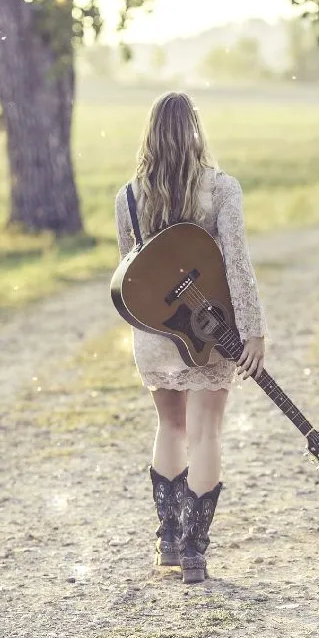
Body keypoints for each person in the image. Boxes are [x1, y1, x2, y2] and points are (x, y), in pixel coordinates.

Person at [115, 91, 267, 584]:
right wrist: (253, 331)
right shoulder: (222, 188)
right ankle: (195, 551)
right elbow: (237, 266)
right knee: (205, 433)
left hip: (157, 330)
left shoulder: (130, 197)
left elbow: (132, 276)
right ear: (195, 132)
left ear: (151, 135)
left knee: (171, 429)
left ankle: (168, 544)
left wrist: (153, 331)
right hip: (212, 327)